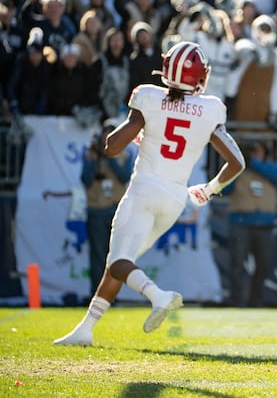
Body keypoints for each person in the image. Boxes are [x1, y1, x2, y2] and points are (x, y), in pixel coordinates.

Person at [54, 41, 245, 346]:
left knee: (118, 262)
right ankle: (85, 330)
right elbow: (237, 163)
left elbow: (112, 147)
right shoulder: (210, 108)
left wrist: (129, 130)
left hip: (144, 190)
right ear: (199, 77)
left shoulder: (149, 97)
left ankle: (158, 295)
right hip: (173, 200)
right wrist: (209, 190)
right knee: (120, 262)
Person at [223, 141, 277, 307]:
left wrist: (254, 163)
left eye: (257, 150)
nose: (253, 154)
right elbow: (225, 189)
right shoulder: (236, 170)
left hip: (264, 225)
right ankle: (237, 300)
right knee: (237, 264)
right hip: (240, 223)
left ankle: (255, 300)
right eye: (250, 151)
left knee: (263, 265)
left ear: (265, 151)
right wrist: (239, 166)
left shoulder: (272, 168)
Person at [81, 118, 135, 297]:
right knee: (97, 255)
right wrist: (94, 160)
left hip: (115, 211)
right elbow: (85, 179)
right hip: (96, 210)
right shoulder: (91, 154)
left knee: (114, 257)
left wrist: (109, 155)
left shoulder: (125, 155)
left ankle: (111, 296)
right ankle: (95, 295)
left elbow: (123, 176)